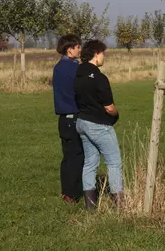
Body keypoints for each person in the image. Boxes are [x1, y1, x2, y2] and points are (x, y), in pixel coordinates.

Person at [74, 40, 123, 210]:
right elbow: (109, 107)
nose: (104, 57)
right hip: (99, 124)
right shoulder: (99, 77)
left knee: (90, 162)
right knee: (114, 162)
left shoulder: (78, 74)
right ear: (96, 53)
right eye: (103, 53)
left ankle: (91, 205)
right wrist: (116, 114)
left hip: (82, 122)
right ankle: (119, 203)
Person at [52, 34, 84, 203]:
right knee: (77, 156)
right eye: (78, 46)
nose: (80, 49)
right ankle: (72, 193)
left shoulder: (58, 67)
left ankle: (66, 191)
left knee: (67, 156)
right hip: (74, 117)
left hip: (63, 119)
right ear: (69, 49)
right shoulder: (74, 68)